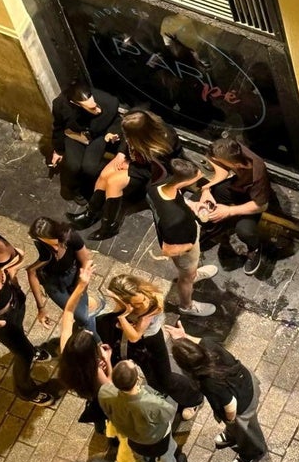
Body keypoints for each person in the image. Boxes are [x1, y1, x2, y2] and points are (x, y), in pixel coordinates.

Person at [67, 110, 184, 240]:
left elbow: (158, 169)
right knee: (106, 173)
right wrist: (121, 154)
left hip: (151, 170)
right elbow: (128, 140)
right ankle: (91, 214)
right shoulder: (142, 124)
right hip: (137, 159)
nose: (126, 136)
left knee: (113, 182)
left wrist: (130, 166)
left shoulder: (164, 142)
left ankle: (110, 226)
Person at [168, 320, 267, 462]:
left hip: (242, 402)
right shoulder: (207, 345)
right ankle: (233, 435)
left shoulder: (209, 380)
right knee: (237, 428)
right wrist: (183, 338)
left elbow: (231, 404)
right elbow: (198, 342)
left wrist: (231, 420)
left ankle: (252, 453)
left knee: (247, 431)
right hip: (244, 381)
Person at [107, 274, 204, 419]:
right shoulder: (124, 306)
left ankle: (194, 399)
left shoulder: (153, 300)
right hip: (138, 343)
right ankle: (160, 389)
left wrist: (123, 319)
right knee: (150, 375)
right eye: (137, 304)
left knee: (167, 378)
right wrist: (124, 315)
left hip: (153, 339)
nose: (144, 304)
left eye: (142, 300)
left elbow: (134, 336)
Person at [146, 158, 217, 316]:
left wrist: (192, 205)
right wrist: (190, 245)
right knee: (186, 276)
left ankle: (194, 274)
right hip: (183, 247)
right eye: (196, 180)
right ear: (183, 182)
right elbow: (168, 250)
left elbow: (177, 197)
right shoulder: (175, 219)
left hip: (182, 231)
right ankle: (187, 305)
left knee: (190, 271)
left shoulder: (158, 186)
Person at [98, 360, 187, 462]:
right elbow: (168, 412)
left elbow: (107, 393)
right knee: (165, 454)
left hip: (130, 435)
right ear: (137, 378)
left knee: (137, 450)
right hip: (157, 439)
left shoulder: (105, 393)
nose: (130, 361)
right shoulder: (150, 403)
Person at [198, 137, 272, 275]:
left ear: (237, 165)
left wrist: (229, 211)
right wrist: (207, 188)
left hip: (253, 200)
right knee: (209, 199)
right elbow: (221, 168)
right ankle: (215, 229)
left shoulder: (257, 170)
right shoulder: (226, 148)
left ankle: (255, 249)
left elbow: (262, 205)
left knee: (244, 229)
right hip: (237, 187)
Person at [0, 233, 54, 406]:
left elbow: (17, 254)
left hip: (14, 302)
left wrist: (11, 275)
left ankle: (30, 350)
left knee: (21, 334)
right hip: (2, 322)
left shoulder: (0, 251)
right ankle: (26, 392)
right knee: (23, 355)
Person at [57, 262, 112, 432]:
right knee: (104, 408)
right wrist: (108, 361)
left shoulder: (67, 353)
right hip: (100, 394)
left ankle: (99, 423)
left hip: (86, 391)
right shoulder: (95, 371)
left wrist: (81, 285)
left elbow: (68, 312)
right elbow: (110, 387)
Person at [50, 81, 122, 204]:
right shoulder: (60, 105)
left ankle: (91, 188)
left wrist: (112, 132)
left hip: (98, 135)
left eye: (95, 104)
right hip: (76, 135)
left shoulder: (109, 102)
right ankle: (76, 189)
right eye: (92, 108)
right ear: (75, 104)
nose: (98, 110)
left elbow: (117, 121)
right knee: (73, 165)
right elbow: (58, 127)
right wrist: (58, 150)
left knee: (90, 167)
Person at [26, 216, 99, 337]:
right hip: (52, 283)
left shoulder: (71, 236)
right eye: (48, 244)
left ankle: (91, 339)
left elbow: (85, 259)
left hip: (74, 277)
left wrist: (81, 283)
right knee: (82, 317)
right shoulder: (40, 244)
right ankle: (95, 341)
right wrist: (41, 308)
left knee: (82, 315)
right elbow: (31, 272)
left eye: (56, 243)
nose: (55, 248)